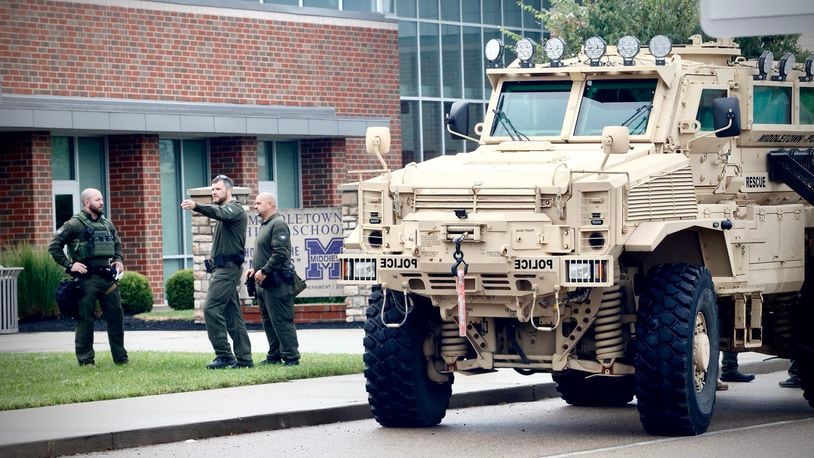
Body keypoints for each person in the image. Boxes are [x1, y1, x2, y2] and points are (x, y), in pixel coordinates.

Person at [48, 188, 128, 366]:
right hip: (86, 280)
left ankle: (121, 359)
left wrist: (118, 260)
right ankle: (86, 361)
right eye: (97, 199)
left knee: (116, 317)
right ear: (87, 203)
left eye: (101, 199)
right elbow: (54, 246)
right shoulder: (73, 224)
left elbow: (117, 245)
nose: (101, 202)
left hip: (108, 279)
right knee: (85, 320)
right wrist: (70, 265)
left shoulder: (107, 224)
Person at [181, 175, 253, 369]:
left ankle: (224, 355)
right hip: (222, 269)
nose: (214, 193)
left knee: (210, 309)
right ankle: (245, 359)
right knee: (232, 315)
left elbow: (221, 213)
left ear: (228, 190)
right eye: (212, 190)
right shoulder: (224, 212)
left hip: (227, 271)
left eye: (218, 189)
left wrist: (197, 206)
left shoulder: (234, 209)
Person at [247, 192, 300, 366]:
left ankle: (291, 357)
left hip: (278, 282)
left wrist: (265, 270)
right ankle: (275, 355)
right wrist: (254, 270)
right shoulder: (265, 225)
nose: (255, 206)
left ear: (270, 204)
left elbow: (281, 253)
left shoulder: (278, 224)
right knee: (268, 320)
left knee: (281, 320)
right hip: (264, 283)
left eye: (258, 203)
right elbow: (266, 253)